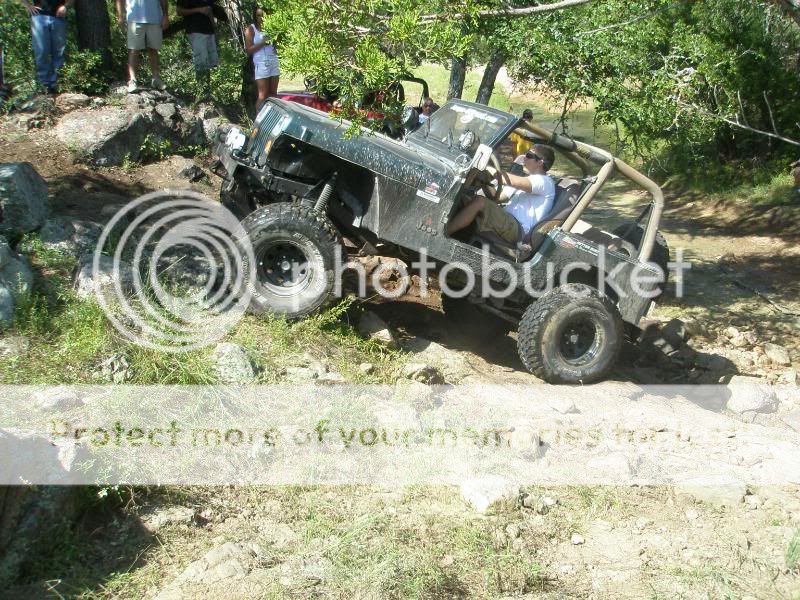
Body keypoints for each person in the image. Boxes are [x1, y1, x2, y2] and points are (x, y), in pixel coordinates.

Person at [447, 145, 556, 246]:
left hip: (518, 230)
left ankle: (443, 233)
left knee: (479, 202)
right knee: (464, 198)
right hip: (508, 221)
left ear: (540, 162)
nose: (524, 158)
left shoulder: (544, 181)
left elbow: (509, 180)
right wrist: (483, 182)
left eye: (529, 155)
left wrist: (488, 167)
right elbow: (499, 197)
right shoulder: (527, 180)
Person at [20, 0, 73, 94]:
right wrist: (28, 5)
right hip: (39, 16)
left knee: (59, 52)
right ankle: (44, 85)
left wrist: (65, 6)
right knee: (41, 51)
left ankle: (58, 84)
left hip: (58, 17)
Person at [116, 0, 169, 93]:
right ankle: (132, 79)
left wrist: (165, 15)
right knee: (133, 50)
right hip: (134, 19)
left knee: (153, 49)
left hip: (154, 18)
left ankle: (156, 78)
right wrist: (120, 16)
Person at [176, 0, 225, 100]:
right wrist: (199, 10)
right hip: (196, 30)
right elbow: (179, 11)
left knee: (209, 63)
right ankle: (202, 92)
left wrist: (214, 27)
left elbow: (209, 10)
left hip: (209, 30)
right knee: (201, 61)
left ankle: (207, 92)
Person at [245, 7, 279, 113]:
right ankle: (258, 122)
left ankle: (272, 118)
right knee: (263, 95)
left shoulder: (273, 27)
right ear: (255, 16)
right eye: (258, 16)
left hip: (274, 60)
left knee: (273, 93)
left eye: (263, 15)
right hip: (261, 63)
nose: (261, 18)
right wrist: (262, 42)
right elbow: (248, 50)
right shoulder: (251, 29)